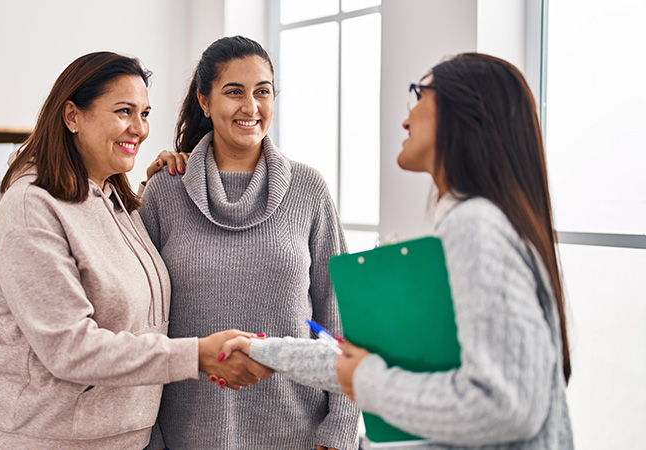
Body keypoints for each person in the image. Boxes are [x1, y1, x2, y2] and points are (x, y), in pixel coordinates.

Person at [219, 53, 574, 449]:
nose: (405, 119)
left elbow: (503, 407)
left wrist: (369, 382)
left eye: (419, 95)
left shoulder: (474, 225)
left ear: (465, 111)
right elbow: (364, 363)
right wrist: (263, 351)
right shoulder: (477, 220)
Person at [0, 51, 267, 450]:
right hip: (47, 440)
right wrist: (196, 355)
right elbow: (70, 349)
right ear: (72, 116)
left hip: (122, 438)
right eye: (124, 111)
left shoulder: (113, 198)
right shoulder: (30, 208)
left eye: (144, 114)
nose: (140, 129)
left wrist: (163, 184)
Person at [139, 36, 360, 450]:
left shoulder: (308, 189)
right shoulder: (164, 193)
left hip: (301, 434)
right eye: (234, 92)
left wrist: (341, 427)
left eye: (263, 92)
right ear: (205, 101)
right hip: (187, 432)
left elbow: (340, 313)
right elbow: (140, 320)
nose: (251, 107)